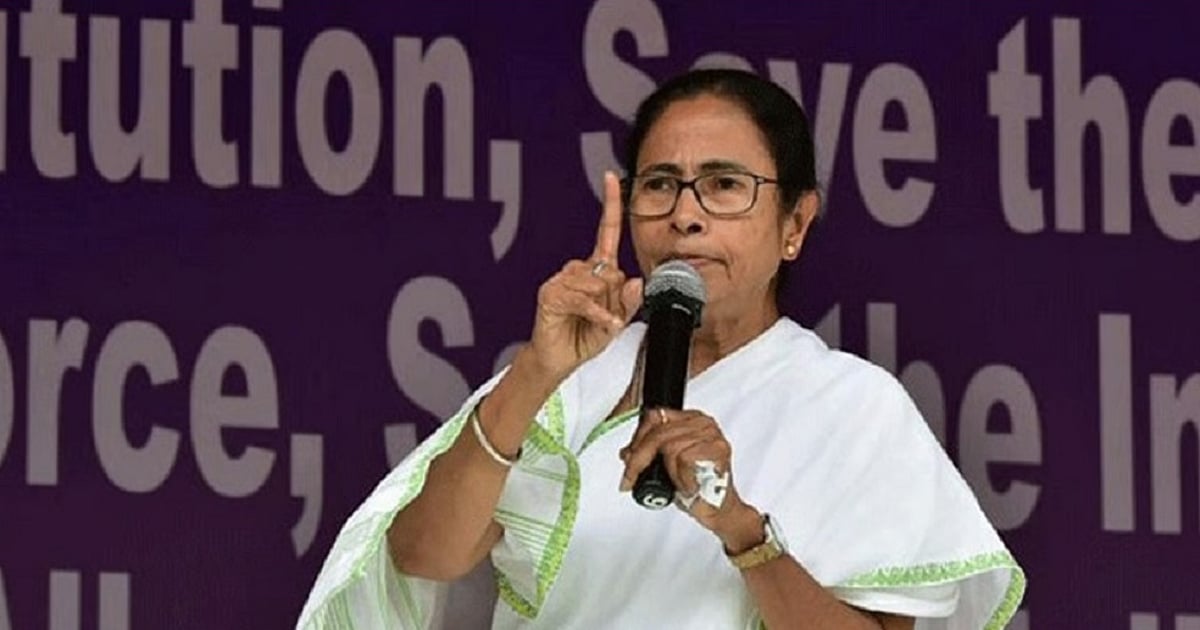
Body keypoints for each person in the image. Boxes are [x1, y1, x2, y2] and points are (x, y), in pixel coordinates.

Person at [297, 69, 1025, 629]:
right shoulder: (570, 377)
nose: (685, 215)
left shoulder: (854, 406)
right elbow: (422, 555)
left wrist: (741, 530)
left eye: (724, 185)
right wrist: (535, 372)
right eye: (661, 185)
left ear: (796, 224)